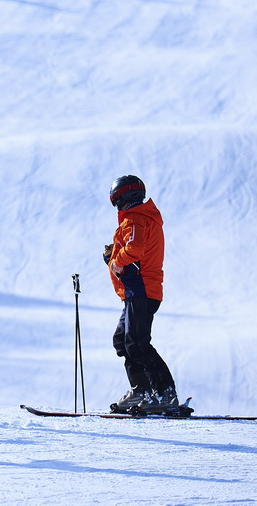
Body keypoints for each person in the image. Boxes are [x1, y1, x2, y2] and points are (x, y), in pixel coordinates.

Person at [104, 175, 179, 414]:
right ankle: (142, 390)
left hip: (142, 289)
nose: (117, 207)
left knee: (137, 342)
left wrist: (116, 260)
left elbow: (134, 249)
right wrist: (113, 256)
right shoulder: (140, 219)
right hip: (136, 290)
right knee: (123, 341)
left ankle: (164, 393)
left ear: (125, 198)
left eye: (117, 202)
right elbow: (136, 249)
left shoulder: (136, 218)